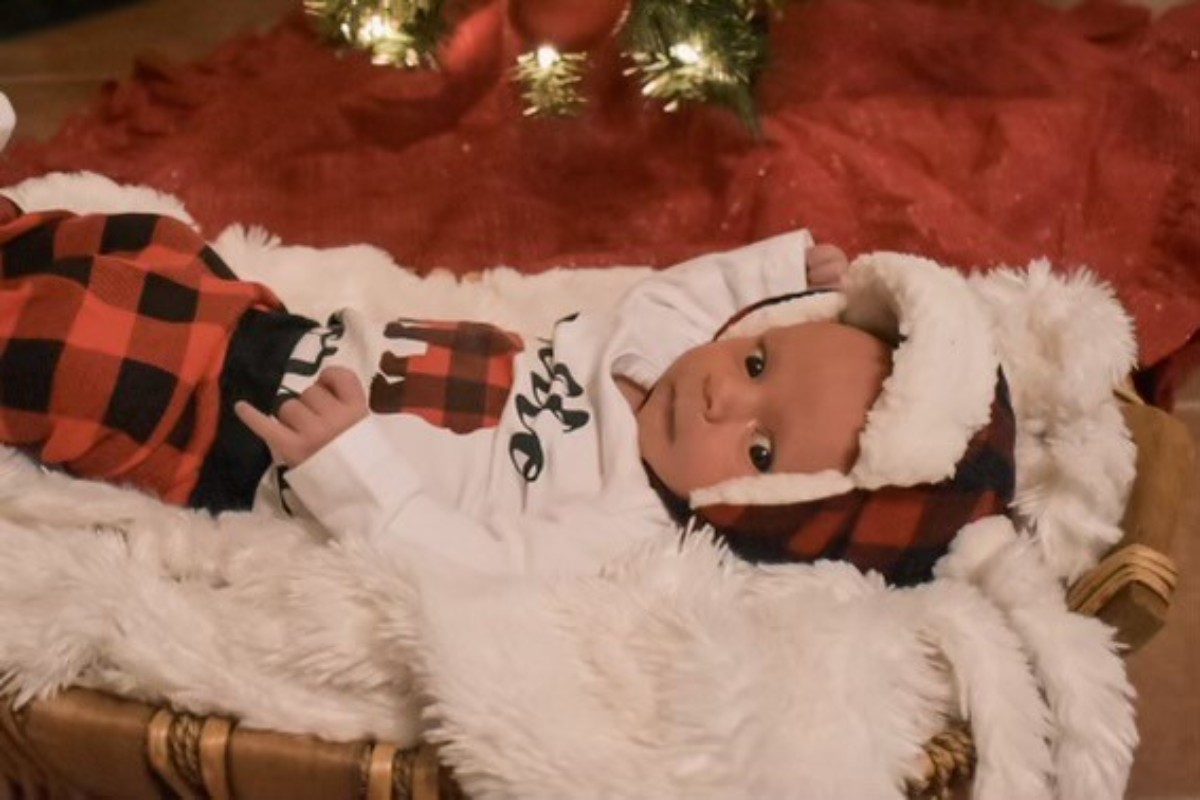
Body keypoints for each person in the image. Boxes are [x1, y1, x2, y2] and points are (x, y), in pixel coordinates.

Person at [0, 197, 1011, 585]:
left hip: (240, 436)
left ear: (767, 517)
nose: (718, 400)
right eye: (755, 365)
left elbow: (463, 559)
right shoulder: (655, 359)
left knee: (72, 358)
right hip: (270, 328)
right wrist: (784, 270)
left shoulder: (623, 526)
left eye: (759, 449)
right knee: (144, 244)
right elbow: (688, 293)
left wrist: (351, 467)